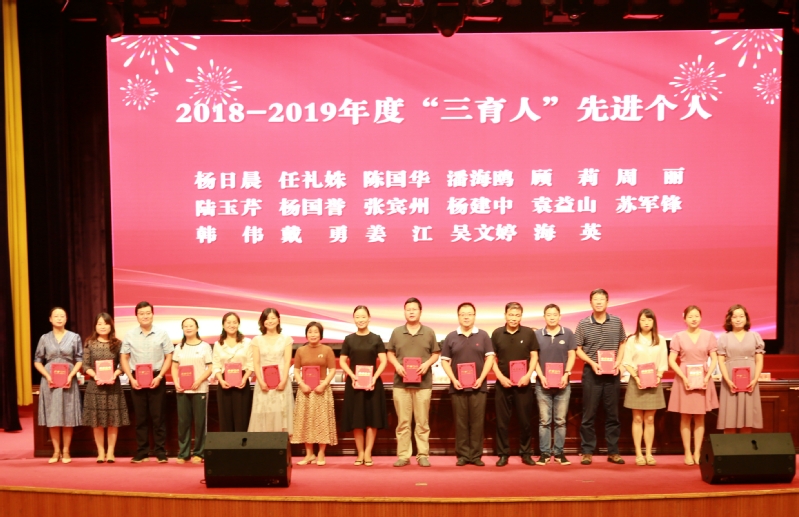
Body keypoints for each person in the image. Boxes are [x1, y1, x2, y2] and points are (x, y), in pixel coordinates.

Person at [386, 297, 441, 468]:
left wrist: (427, 364)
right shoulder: (397, 332)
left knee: (422, 422)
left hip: (423, 385)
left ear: (420, 312)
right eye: (408, 309)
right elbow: (390, 353)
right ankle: (403, 455)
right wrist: (397, 366)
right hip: (400, 385)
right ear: (404, 312)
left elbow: (436, 353)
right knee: (403, 422)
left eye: (414, 309)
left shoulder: (429, 332)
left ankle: (423, 454)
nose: (411, 312)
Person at [575, 288, 627, 465]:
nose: (598, 302)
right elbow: (578, 349)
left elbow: (622, 343)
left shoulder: (617, 322)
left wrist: (618, 362)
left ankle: (613, 452)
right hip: (592, 373)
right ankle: (587, 451)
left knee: (613, 415)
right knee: (588, 414)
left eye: (602, 299)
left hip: (612, 374)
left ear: (607, 302)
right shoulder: (583, 324)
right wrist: (592, 363)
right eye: (595, 299)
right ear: (590, 302)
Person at [441, 302, 495, 467]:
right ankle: (463, 455)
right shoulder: (451, 336)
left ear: (474, 316)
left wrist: (482, 378)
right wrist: (454, 379)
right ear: (458, 316)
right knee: (461, 422)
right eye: (463, 314)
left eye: (469, 314)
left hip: (479, 386)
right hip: (457, 387)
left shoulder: (483, 335)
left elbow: (490, 358)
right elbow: (444, 361)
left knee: (477, 422)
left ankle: (476, 455)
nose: (466, 317)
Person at [120, 301, 174, 463]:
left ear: (153, 314)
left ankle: (160, 451)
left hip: (157, 377)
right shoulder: (130, 334)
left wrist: (160, 376)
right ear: (136, 316)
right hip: (136, 378)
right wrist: (131, 378)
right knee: (141, 417)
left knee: (158, 417)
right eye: (141, 313)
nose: (145, 316)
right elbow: (124, 357)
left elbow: (169, 356)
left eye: (148, 313)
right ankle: (142, 452)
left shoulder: (162, 333)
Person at [667, 305, 719, 465]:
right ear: (684, 319)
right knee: (685, 416)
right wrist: (683, 377)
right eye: (690, 316)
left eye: (696, 316)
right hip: (685, 378)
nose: (694, 319)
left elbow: (714, 359)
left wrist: (708, 376)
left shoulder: (709, 335)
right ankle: (687, 452)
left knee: (700, 416)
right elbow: (671, 360)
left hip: (703, 378)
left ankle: (697, 452)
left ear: (701, 317)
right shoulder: (678, 336)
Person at [490, 302, 539, 467]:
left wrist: (528, 375)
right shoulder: (497, 333)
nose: (513, 318)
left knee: (525, 421)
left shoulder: (529, 333)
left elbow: (534, 356)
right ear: (505, 315)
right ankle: (503, 454)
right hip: (503, 384)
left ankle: (526, 453)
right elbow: (491, 359)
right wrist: (500, 377)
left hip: (523, 384)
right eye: (511, 315)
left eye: (517, 315)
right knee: (502, 422)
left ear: (521, 317)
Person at [34, 307, 83, 464]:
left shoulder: (74, 337)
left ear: (66, 318)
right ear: (50, 319)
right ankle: (56, 451)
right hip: (50, 380)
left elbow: (80, 359)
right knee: (53, 415)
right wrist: (47, 376)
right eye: (56, 316)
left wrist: (71, 374)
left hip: (68, 379)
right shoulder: (44, 338)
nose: (59, 318)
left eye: (62, 316)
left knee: (68, 414)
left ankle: (66, 451)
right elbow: (37, 361)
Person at [340, 305, 388, 466]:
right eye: (357, 317)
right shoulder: (349, 339)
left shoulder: (376, 339)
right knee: (357, 419)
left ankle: (368, 452)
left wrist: (374, 378)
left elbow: (383, 361)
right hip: (354, 384)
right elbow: (342, 361)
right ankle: (360, 452)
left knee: (372, 419)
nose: (360, 320)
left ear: (369, 318)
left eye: (363, 316)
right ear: (354, 319)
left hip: (373, 384)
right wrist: (352, 376)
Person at [621, 309, 668, 466]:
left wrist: (659, 377)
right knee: (637, 418)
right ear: (638, 322)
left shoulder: (660, 339)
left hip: (654, 381)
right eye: (643, 320)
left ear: (654, 321)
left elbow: (663, 362)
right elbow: (627, 362)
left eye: (649, 319)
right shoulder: (632, 340)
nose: (646, 322)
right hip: (637, 381)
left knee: (649, 419)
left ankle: (649, 453)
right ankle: (638, 454)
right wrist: (636, 377)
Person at [81, 312, 130, 463]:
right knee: (97, 421)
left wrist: (115, 374)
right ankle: (101, 452)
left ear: (111, 326)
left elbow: (122, 364)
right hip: (95, 387)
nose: (103, 326)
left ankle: (110, 452)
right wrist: (96, 376)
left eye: (106, 323)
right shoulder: (89, 343)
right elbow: (85, 365)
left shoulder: (118, 343)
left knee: (113, 421)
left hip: (113, 387)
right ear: (95, 326)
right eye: (99, 324)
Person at [533, 304, 577, 466]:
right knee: (544, 421)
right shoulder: (537, 334)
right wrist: (540, 376)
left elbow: (572, 355)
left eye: (554, 314)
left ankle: (559, 453)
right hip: (542, 384)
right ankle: (544, 453)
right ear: (544, 317)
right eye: (549, 314)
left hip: (563, 383)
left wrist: (567, 373)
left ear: (560, 316)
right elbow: (534, 358)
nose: (552, 317)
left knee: (560, 420)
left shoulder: (568, 333)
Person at [292, 321, 337, 465]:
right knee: (306, 421)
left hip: (321, 389)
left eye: (316, 332)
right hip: (305, 389)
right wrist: (301, 384)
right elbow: (296, 370)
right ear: (306, 334)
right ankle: (309, 454)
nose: (313, 334)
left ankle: (321, 453)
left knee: (321, 421)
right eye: (310, 332)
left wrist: (324, 384)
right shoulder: (300, 350)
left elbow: (333, 370)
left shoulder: (327, 350)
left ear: (321, 334)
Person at [717, 304, 765, 434]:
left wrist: (755, 379)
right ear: (730, 319)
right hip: (730, 380)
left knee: (747, 419)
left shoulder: (755, 336)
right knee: (729, 419)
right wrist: (727, 380)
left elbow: (759, 360)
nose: (738, 319)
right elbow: (721, 361)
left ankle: (745, 446)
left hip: (750, 380)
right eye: (735, 317)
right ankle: (728, 447)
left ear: (746, 318)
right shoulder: (724, 338)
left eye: (741, 316)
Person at [171, 318, 213, 464]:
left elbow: (210, 367)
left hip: (200, 389)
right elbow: (174, 367)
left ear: (197, 328)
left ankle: (199, 453)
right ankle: (183, 453)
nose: (188, 328)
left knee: (200, 423)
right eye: (185, 326)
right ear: (182, 329)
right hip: (182, 390)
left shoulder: (205, 346)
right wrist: (176, 383)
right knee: (183, 422)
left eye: (191, 326)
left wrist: (199, 381)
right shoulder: (179, 347)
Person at [249, 308, 294, 433]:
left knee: (282, 411)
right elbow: (256, 363)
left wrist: (283, 381)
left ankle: (282, 442)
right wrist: (260, 381)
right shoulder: (257, 340)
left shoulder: (286, 339)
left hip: (282, 380)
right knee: (265, 411)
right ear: (262, 321)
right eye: (267, 318)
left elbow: (287, 361)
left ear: (278, 320)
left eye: (273, 318)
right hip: (263, 381)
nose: (270, 321)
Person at [212, 312, 253, 432]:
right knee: (225, 418)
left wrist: (244, 379)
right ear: (223, 325)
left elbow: (251, 364)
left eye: (234, 322)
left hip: (242, 381)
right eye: (228, 322)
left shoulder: (247, 342)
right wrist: (221, 380)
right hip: (224, 382)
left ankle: (241, 443)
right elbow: (216, 365)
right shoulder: (218, 344)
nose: (231, 325)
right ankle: (227, 443)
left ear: (238, 324)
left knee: (242, 418)